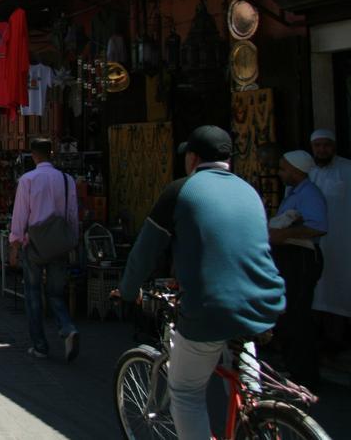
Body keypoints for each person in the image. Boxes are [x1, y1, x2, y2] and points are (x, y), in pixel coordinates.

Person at [116, 125, 286, 440]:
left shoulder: (181, 190)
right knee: (240, 370)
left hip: (210, 308)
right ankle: (256, 414)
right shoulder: (248, 191)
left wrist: (127, 291)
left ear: (192, 158)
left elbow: (145, 252)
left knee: (186, 391)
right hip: (262, 302)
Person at [8, 139, 79, 362]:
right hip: (59, 244)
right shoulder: (67, 181)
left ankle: (40, 345)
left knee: (33, 294)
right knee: (56, 293)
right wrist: (72, 241)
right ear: (52, 152)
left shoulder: (28, 180)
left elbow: (20, 214)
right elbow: (71, 215)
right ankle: (67, 327)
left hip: (35, 245)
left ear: (33, 155)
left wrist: (15, 244)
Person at [269, 149, 327, 385]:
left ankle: (305, 375)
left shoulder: (310, 194)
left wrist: (284, 234)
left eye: (284, 168)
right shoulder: (293, 193)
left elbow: (319, 226)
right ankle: (293, 368)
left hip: (301, 258)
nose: (281, 172)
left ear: (296, 170)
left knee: (298, 314)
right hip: (290, 257)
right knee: (289, 312)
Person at [308, 128, 351, 354]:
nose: (322, 150)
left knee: (339, 286)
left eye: (326, 145)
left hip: (342, 240)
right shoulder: (307, 171)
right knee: (318, 289)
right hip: (313, 240)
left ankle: (338, 338)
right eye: (318, 146)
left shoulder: (347, 169)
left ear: (333, 147)